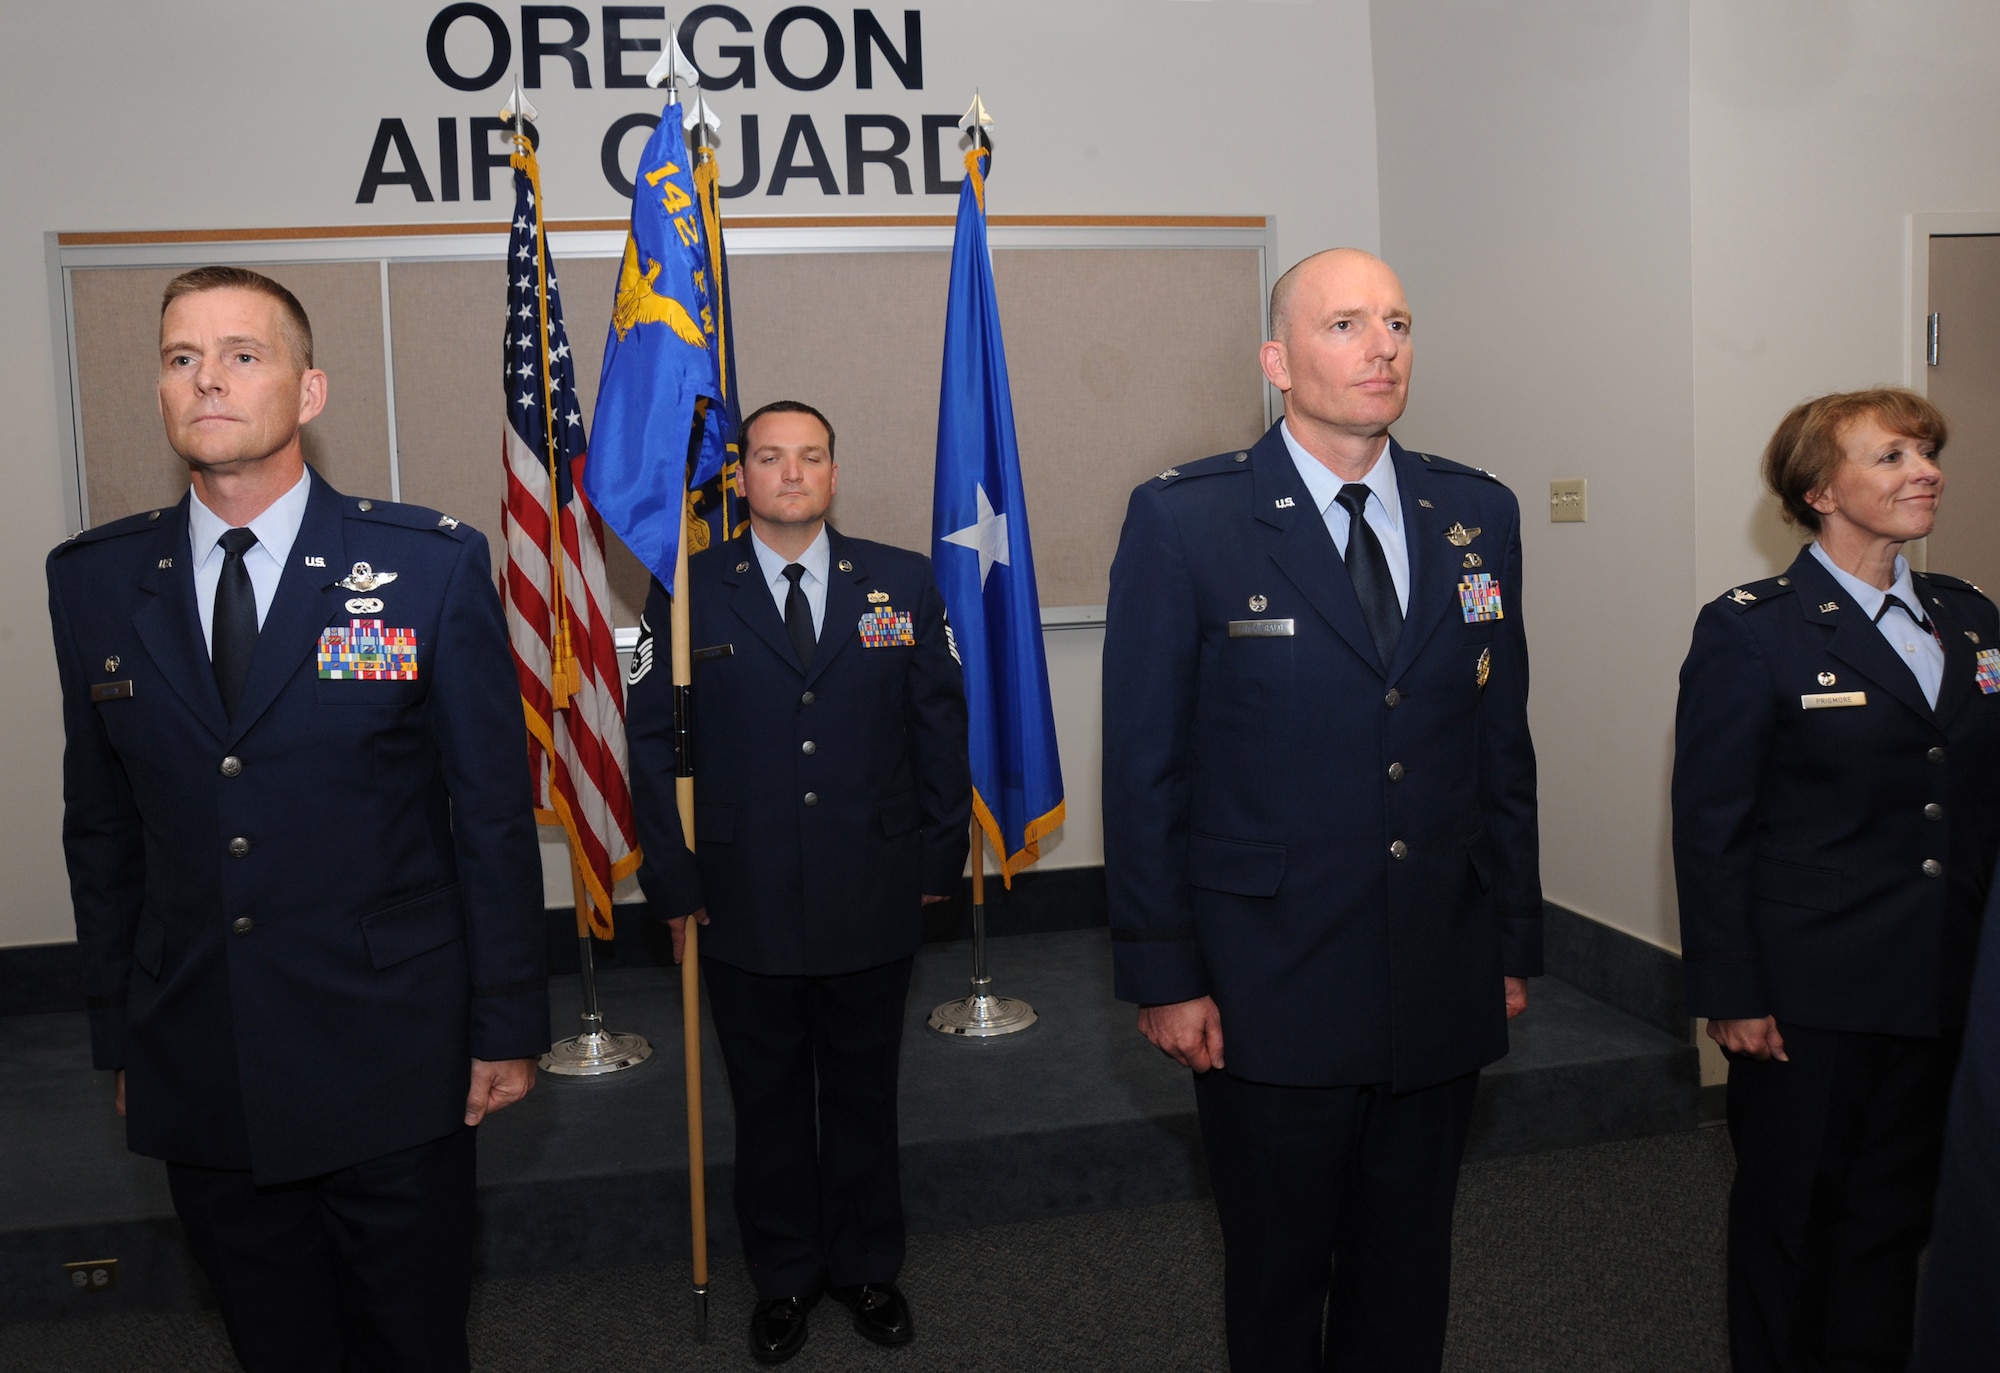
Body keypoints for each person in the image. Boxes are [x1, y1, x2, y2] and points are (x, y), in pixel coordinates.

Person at [45, 266, 547, 1372]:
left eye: (241, 353)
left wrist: (505, 1017)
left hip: (393, 1046)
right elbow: (102, 827)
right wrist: (123, 1029)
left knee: (412, 1339)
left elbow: (491, 812)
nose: (206, 380)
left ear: (309, 390)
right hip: (202, 1047)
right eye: (182, 357)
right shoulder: (95, 581)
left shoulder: (424, 565)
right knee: (274, 1343)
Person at [1101, 248, 1542, 1372]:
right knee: (1278, 1273)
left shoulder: (1473, 510)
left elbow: (1498, 741)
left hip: (1434, 955)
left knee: (1407, 1271)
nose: (1381, 344)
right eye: (1344, 323)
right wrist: (1164, 969)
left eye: (1395, 320)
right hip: (1265, 974)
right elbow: (1144, 763)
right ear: (1276, 361)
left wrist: (1507, 937)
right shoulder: (1185, 520)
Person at [627, 400, 970, 1365]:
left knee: (864, 1089)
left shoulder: (900, 581)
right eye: (769, 458)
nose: (790, 473)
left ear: (834, 471)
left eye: (809, 456)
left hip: (875, 882)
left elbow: (940, 726)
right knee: (768, 1096)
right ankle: (782, 1275)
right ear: (739, 477)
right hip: (741, 893)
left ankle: (866, 1264)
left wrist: (938, 858)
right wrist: (673, 876)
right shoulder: (689, 590)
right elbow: (653, 746)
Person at [1673, 387, 2000, 1373]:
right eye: (1891, 456)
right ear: (1819, 488)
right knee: (1792, 1230)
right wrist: (1728, 993)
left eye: (1925, 451)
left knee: (1895, 1222)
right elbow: (1710, 827)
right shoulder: (1753, 630)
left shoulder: (1969, 618)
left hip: (1941, 981)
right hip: (1807, 998)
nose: (1923, 470)